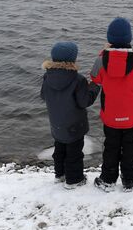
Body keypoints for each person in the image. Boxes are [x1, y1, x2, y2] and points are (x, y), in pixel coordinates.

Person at [91, 17, 133, 192]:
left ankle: (108, 180)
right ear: (129, 38)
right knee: (130, 149)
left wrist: (102, 54)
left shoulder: (102, 59)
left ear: (109, 38)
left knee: (111, 148)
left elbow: (94, 77)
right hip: (132, 118)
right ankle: (129, 181)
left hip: (111, 117)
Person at [40, 41, 100, 190]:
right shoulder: (77, 79)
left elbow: (43, 95)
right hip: (74, 126)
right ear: (73, 60)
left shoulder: (47, 77)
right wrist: (94, 86)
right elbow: (85, 101)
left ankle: (60, 175)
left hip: (57, 124)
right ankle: (74, 180)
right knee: (74, 154)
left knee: (59, 150)